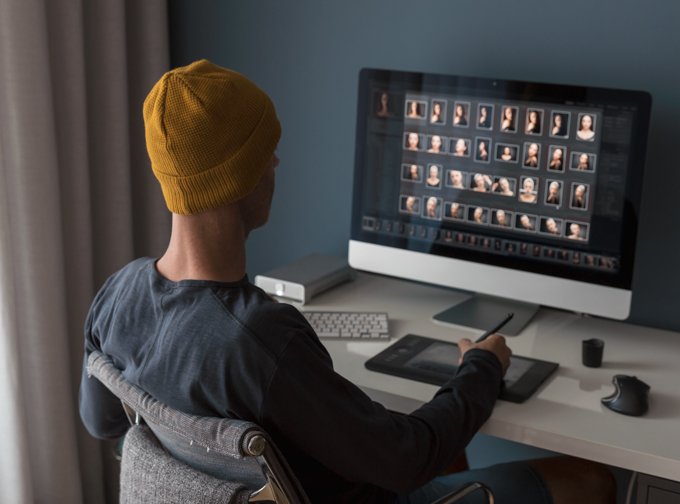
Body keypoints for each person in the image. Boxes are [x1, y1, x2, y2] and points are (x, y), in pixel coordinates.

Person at [80, 60, 615, 504]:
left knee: (438, 436)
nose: (277, 161)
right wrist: (481, 367)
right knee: (593, 479)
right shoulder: (260, 339)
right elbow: (406, 460)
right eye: (267, 150)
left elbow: (103, 421)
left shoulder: (117, 295)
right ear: (244, 175)